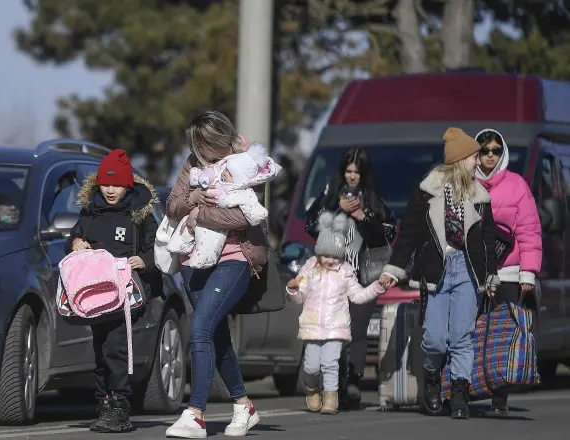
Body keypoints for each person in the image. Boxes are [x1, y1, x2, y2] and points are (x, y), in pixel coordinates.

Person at [379, 127, 499, 420]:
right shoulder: (427, 191)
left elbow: (488, 241)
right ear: (460, 159)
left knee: (462, 336)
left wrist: (491, 276)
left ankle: (459, 393)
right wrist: (393, 271)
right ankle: (432, 377)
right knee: (434, 338)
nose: (479, 161)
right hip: (437, 271)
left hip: (468, 272)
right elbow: (408, 235)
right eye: (474, 156)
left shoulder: (480, 196)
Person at [164, 110, 268, 438]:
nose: (199, 153)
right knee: (214, 334)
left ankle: (195, 413)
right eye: (195, 147)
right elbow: (171, 205)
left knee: (200, 327)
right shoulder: (192, 164)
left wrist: (202, 213)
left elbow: (244, 218)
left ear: (218, 140)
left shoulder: (246, 162)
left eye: (203, 146)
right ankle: (243, 406)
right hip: (194, 260)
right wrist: (193, 198)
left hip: (235, 259)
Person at [65, 149, 159, 433]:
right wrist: (75, 243)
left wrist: (145, 261)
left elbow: (161, 249)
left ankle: (120, 405)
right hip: (96, 295)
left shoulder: (139, 214)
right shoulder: (90, 212)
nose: (110, 190)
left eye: (116, 184)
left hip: (127, 294)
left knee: (116, 347)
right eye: (106, 184)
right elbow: (74, 236)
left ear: (127, 185)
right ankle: (104, 402)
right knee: (100, 347)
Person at [304, 147, 395, 408]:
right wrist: (336, 208)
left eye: (357, 172)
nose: (352, 177)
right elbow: (311, 224)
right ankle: (335, 383)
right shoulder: (329, 194)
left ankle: (352, 380)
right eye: (348, 171)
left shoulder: (373, 199)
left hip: (363, 274)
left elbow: (387, 233)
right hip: (331, 275)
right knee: (334, 331)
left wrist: (361, 217)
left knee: (356, 330)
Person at [286, 212, 386, 415]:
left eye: (335, 256)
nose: (331, 260)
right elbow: (299, 296)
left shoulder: (345, 272)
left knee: (330, 362)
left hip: (336, 327)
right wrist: (293, 290)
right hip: (312, 326)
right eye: (326, 255)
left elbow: (357, 295)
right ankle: (312, 388)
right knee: (312, 366)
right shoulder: (310, 269)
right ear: (318, 253)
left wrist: (375, 287)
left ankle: (331, 397)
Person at [475, 128, 542, 416]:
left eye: (496, 150)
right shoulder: (465, 184)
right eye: (485, 150)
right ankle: (469, 387)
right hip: (474, 273)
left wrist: (528, 272)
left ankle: (499, 397)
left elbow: (529, 230)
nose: (490, 155)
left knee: (503, 332)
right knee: (473, 332)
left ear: (503, 154)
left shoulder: (517, 186)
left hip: (509, 274)